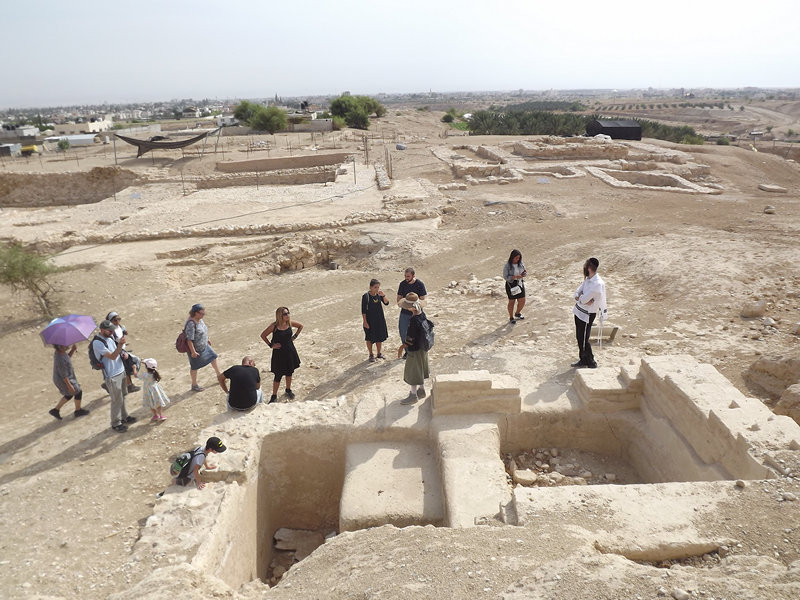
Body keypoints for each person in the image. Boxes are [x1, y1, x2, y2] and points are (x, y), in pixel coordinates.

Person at [94, 319, 136, 432]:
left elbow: (116, 351)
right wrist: (120, 345)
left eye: (112, 330)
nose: (112, 332)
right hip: (112, 375)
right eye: (109, 330)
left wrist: (122, 351)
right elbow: (112, 356)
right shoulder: (97, 342)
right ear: (102, 330)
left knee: (122, 396)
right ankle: (116, 423)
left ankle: (124, 417)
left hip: (120, 371)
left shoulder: (109, 337)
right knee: (116, 399)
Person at [260, 307, 303, 403]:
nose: (288, 315)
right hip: (278, 354)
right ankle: (274, 395)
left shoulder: (289, 323)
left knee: (289, 372)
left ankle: (288, 390)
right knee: (278, 375)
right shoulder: (274, 326)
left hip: (290, 352)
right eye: (285, 314)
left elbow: (301, 326)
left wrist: (294, 337)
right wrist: (271, 345)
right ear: (280, 315)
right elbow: (263, 335)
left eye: (288, 313)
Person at [572, 257, 607, 369]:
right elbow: (577, 293)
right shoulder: (588, 279)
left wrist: (581, 298)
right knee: (579, 337)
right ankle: (583, 359)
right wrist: (580, 297)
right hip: (578, 311)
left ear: (589, 268)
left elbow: (583, 299)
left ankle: (591, 362)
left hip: (587, 315)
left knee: (584, 339)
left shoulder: (597, 285)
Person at [396, 293, 430, 405]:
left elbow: (410, 338)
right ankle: (422, 390)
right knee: (420, 369)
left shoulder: (413, 321)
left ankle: (413, 395)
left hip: (415, 350)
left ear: (411, 307)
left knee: (414, 372)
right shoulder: (422, 315)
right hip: (423, 348)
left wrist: (402, 347)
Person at [184, 303, 222, 392]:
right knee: (194, 367)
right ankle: (194, 385)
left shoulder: (200, 320)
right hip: (196, 350)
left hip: (204, 345)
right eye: (202, 313)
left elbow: (204, 330)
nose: (203, 315)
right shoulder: (191, 323)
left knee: (213, 357)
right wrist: (193, 352)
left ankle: (219, 375)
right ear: (196, 313)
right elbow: (189, 340)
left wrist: (207, 339)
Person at [49, 344, 90, 420]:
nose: (67, 346)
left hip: (66, 378)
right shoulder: (59, 359)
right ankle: (78, 411)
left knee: (70, 394)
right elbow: (63, 375)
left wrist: (72, 350)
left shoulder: (61, 353)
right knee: (77, 392)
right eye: (65, 346)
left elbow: (67, 358)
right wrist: (69, 386)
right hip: (63, 380)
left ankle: (55, 410)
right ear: (59, 347)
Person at [106, 311, 140, 393]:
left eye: (118, 319)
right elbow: (119, 341)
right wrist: (124, 334)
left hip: (121, 350)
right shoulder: (110, 331)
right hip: (117, 351)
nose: (117, 321)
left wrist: (124, 332)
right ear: (110, 321)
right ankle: (129, 386)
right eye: (115, 320)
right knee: (126, 366)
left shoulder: (119, 327)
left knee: (124, 368)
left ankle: (109, 385)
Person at [396, 267, 427, 358]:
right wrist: (406, 306)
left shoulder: (420, 284)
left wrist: (413, 308)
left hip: (417, 313)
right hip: (405, 313)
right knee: (403, 332)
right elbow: (399, 299)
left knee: (420, 332)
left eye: (408, 276)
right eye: (405, 276)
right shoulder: (402, 284)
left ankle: (418, 350)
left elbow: (422, 299)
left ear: (413, 275)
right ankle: (408, 351)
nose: (406, 278)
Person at [362, 278, 389, 362]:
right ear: (370, 287)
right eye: (375, 287)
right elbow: (363, 311)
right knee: (369, 338)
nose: (377, 289)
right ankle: (371, 354)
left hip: (379, 320)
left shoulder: (378, 295)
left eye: (378, 287)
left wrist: (383, 295)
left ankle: (379, 353)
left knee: (379, 337)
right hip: (370, 321)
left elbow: (387, 303)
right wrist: (365, 322)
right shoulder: (366, 296)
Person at [503, 249, 527, 324]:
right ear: (512, 257)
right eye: (516, 258)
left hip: (520, 283)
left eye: (519, 258)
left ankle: (517, 313)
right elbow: (505, 276)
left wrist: (524, 274)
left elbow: (524, 271)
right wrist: (514, 277)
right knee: (512, 301)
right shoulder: (507, 265)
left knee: (522, 300)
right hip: (511, 284)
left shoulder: (521, 263)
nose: (518, 259)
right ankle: (511, 317)